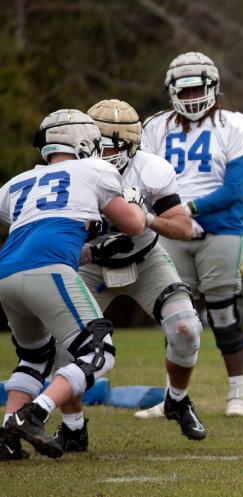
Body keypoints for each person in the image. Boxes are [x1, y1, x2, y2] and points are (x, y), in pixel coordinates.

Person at [48, 99, 206, 453]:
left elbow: (183, 227)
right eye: (95, 142)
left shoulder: (151, 170)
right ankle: (73, 428)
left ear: (131, 146)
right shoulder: (72, 169)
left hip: (146, 258)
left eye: (109, 145)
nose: (99, 152)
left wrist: (144, 216)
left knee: (186, 327)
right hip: (89, 264)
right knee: (63, 348)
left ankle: (177, 400)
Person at [0, 109, 146, 460]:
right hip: (49, 269)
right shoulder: (95, 169)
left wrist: (91, 246)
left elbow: (44, 224)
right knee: (98, 351)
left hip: (6, 274)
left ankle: (6, 436)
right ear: (84, 141)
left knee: (34, 358)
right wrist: (135, 204)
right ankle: (33, 414)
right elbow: (134, 226)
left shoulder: (14, 184)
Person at [137, 51, 243, 418]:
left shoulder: (236, 125)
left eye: (197, 90)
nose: (191, 99)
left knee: (222, 311)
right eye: (184, 91)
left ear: (213, 88)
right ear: (172, 91)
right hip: (170, 232)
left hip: (219, 229)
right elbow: (142, 180)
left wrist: (188, 210)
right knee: (176, 315)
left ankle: (237, 393)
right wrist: (165, 218)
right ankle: (173, 398)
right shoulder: (155, 127)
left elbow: (235, 187)